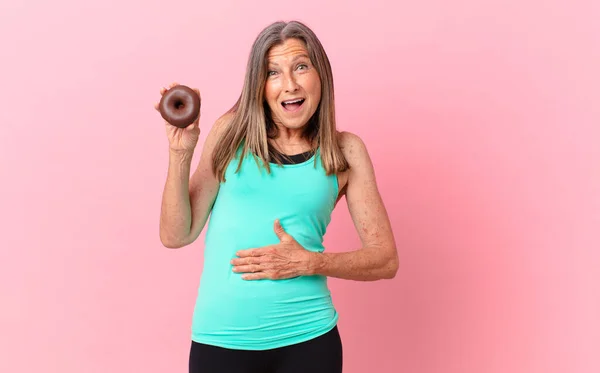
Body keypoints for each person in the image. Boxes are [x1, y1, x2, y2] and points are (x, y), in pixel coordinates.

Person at [156, 20, 398, 373]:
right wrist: (180, 153)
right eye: (273, 73)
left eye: (301, 66)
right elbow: (176, 235)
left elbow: (385, 260)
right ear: (260, 85)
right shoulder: (230, 132)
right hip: (222, 340)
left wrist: (309, 263)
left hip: (309, 341)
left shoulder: (346, 151)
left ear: (321, 76)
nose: (290, 85)